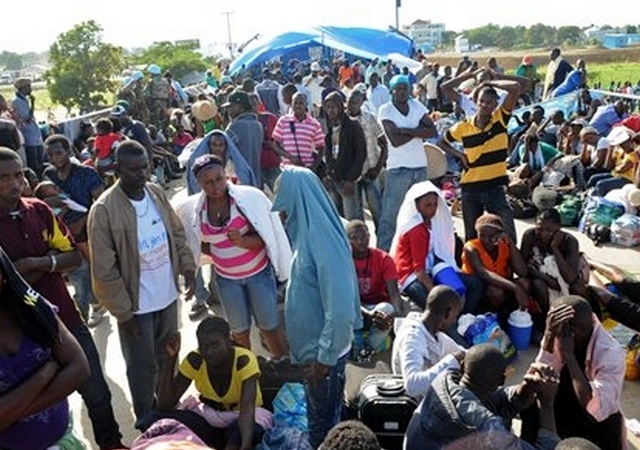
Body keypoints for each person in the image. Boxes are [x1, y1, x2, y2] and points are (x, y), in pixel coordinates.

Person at [0, 147, 125, 449]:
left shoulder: (39, 211)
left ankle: (110, 443)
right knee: (30, 406)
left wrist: (36, 264)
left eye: (18, 175)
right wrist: (43, 264)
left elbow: (73, 257)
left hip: (65, 322)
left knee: (96, 392)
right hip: (20, 336)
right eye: (4, 178)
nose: (14, 183)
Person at [88, 140, 196, 429]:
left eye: (145, 166)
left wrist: (188, 266)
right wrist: (123, 314)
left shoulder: (156, 193)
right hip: (137, 307)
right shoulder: (104, 210)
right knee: (141, 368)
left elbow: (176, 233)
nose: (142, 174)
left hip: (167, 296)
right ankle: (148, 423)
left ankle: (167, 413)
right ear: (118, 169)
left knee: (167, 358)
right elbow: (104, 269)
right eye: (134, 169)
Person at [272, 166, 361, 449]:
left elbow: (340, 305)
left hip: (323, 357)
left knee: (323, 432)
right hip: (318, 353)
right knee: (327, 420)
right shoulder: (310, 230)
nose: (283, 215)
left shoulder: (320, 236)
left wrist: (323, 360)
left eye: (285, 207)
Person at [174, 154, 290, 356]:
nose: (216, 186)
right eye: (208, 182)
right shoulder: (196, 210)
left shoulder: (247, 200)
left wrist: (243, 242)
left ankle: (285, 371)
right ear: (199, 183)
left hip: (258, 275)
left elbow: (267, 237)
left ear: (226, 175)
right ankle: (248, 373)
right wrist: (219, 254)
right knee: (239, 332)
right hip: (227, 280)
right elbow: (197, 242)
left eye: (219, 178)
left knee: (269, 328)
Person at [0, 245, 90, 450]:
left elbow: (80, 368)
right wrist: (46, 373)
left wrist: (11, 412)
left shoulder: (33, 309)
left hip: (65, 442)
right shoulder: (46, 369)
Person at [405, 343, 561, 450]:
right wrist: (547, 404)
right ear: (501, 380)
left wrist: (522, 390)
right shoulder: (488, 428)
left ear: (462, 366)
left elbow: (490, 400)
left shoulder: (443, 384)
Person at [148, 317, 271, 450]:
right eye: (203, 346)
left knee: (237, 439)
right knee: (153, 419)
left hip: (243, 418)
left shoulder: (244, 360)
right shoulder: (196, 360)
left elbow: (247, 409)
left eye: (214, 345)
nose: (208, 352)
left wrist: (245, 445)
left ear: (228, 341)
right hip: (210, 418)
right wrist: (171, 359)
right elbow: (165, 405)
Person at [521, 296, 625, 450]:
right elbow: (542, 372)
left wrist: (569, 355)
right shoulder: (559, 329)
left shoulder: (611, 354)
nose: (553, 332)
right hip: (564, 401)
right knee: (531, 399)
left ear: (572, 331)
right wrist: (549, 334)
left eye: (555, 329)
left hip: (594, 419)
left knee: (607, 426)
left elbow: (594, 411)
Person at [438, 69, 521, 242]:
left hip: (495, 188)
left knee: (507, 234)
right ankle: (472, 268)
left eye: (490, 102)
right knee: (472, 236)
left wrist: (490, 83)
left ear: (495, 105)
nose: (485, 105)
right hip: (471, 188)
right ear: (475, 102)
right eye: (482, 101)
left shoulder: (500, 120)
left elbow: (515, 87)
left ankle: (507, 266)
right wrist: (459, 155)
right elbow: (442, 143)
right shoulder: (463, 127)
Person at [42, 134, 106, 325]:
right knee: (79, 274)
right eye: (50, 155)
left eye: (59, 153)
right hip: (62, 234)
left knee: (91, 271)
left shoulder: (87, 173)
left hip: (86, 232)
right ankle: (87, 311)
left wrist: (82, 223)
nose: (55, 158)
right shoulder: (49, 176)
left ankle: (93, 306)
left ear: (69, 151)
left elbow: (101, 204)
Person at [391, 181, 482, 313]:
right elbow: (420, 272)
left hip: (432, 267)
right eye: (428, 205)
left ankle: (464, 318)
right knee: (438, 309)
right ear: (417, 205)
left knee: (475, 285)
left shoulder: (435, 221)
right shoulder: (417, 229)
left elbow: (440, 249)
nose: (433, 209)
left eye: (435, 204)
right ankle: (454, 326)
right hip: (410, 276)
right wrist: (436, 293)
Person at [376, 74, 437, 252]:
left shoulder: (416, 106)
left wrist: (407, 130)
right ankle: (384, 253)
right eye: (399, 89)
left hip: (419, 167)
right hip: (398, 169)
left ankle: (419, 250)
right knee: (390, 215)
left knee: (420, 214)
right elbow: (394, 140)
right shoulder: (386, 110)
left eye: (405, 88)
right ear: (392, 91)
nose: (403, 92)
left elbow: (433, 131)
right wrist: (418, 132)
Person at [391, 285, 465, 398]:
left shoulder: (437, 335)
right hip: (412, 407)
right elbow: (412, 385)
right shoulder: (412, 336)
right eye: (454, 316)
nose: (454, 321)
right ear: (447, 313)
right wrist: (452, 360)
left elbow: (463, 353)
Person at [520, 209, 588, 321]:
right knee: (538, 285)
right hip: (539, 276)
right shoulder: (530, 236)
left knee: (578, 287)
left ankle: (574, 315)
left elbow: (570, 278)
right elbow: (523, 266)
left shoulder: (570, 241)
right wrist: (545, 278)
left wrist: (555, 248)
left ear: (559, 229)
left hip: (563, 277)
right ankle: (548, 316)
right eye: (539, 228)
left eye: (549, 230)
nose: (543, 234)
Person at [347, 219, 402, 355]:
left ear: (369, 237)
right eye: (355, 238)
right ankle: (360, 344)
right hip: (353, 307)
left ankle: (367, 348)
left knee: (387, 309)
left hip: (376, 308)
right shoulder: (343, 260)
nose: (361, 241)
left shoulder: (384, 259)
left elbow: (394, 294)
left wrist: (395, 316)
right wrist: (367, 313)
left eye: (365, 236)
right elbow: (344, 298)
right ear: (347, 240)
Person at [346, 88, 387, 229]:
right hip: (351, 176)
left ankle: (383, 246)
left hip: (371, 171)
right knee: (354, 215)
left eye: (355, 102)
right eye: (349, 102)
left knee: (377, 211)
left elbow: (384, 144)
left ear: (361, 102)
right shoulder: (342, 121)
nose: (351, 105)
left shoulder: (370, 118)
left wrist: (377, 168)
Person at [323, 91, 367, 220]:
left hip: (348, 182)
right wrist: (328, 175)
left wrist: (351, 180)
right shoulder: (330, 130)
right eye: (328, 107)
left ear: (341, 107)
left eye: (334, 107)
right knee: (337, 220)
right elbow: (330, 156)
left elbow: (360, 154)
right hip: (334, 181)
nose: (331, 110)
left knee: (352, 220)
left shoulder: (353, 126)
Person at [186, 129, 257, 195]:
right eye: (214, 145)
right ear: (209, 146)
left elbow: (243, 182)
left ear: (226, 146)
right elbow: (196, 186)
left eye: (221, 145)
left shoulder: (232, 164)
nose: (217, 149)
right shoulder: (202, 165)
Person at [271, 92, 325, 170]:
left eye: (301, 103)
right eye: (295, 103)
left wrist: (314, 167)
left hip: (307, 169)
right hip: (287, 169)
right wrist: (290, 157)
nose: (298, 106)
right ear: (291, 104)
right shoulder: (283, 121)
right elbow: (275, 145)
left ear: (306, 105)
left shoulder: (314, 124)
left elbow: (321, 148)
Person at [224, 91, 264, 188]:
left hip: (239, 179)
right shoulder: (258, 125)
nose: (228, 110)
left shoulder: (235, 126)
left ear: (240, 107)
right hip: (256, 177)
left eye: (231, 107)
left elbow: (224, 149)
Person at [11, 78, 44, 175]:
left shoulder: (24, 100)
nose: (31, 89)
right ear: (23, 88)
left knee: (40, 163)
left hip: (35, 137)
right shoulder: (17, 101)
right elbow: (28, 119)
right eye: (29, 87)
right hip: (29, 137)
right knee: (34, 166)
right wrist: (33, 104)